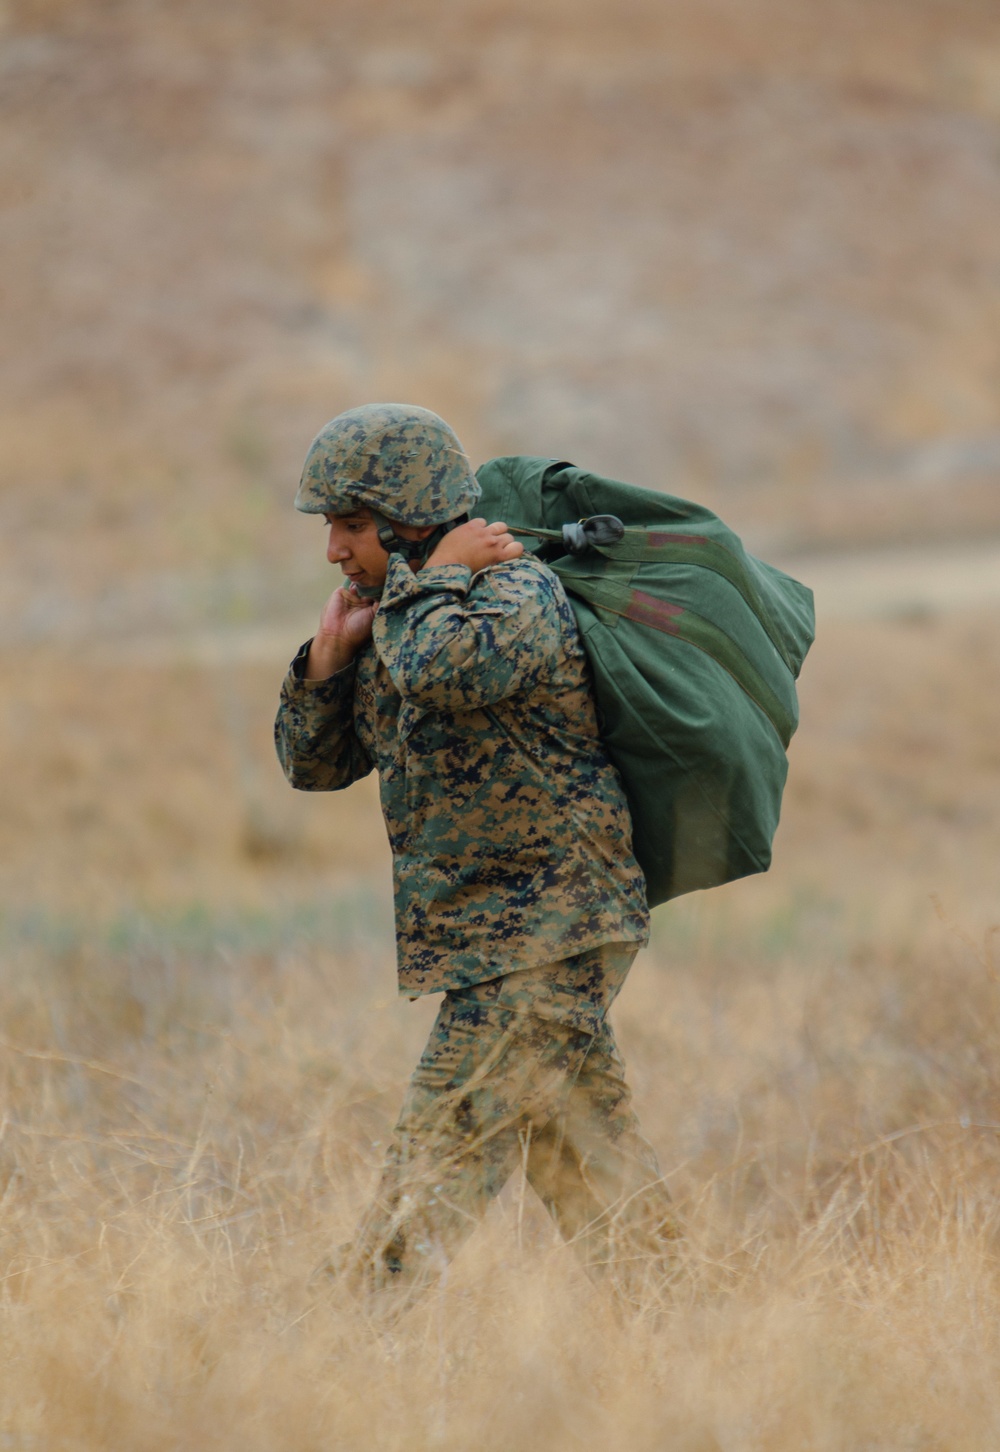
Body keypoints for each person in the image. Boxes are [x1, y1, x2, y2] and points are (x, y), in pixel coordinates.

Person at [275, 403, 679, 1309]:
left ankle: (337, 1341)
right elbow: (315, 765)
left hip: (551, 926)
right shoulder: (404, 613)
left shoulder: (513, 595)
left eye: (347, 525)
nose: (334, 550)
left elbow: (448, 674)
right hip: (494, 940)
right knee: (584, 1160)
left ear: (404, 515)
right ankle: (704, 1335)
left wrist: (432, 583)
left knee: (437, 1157)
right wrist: (327, 663)